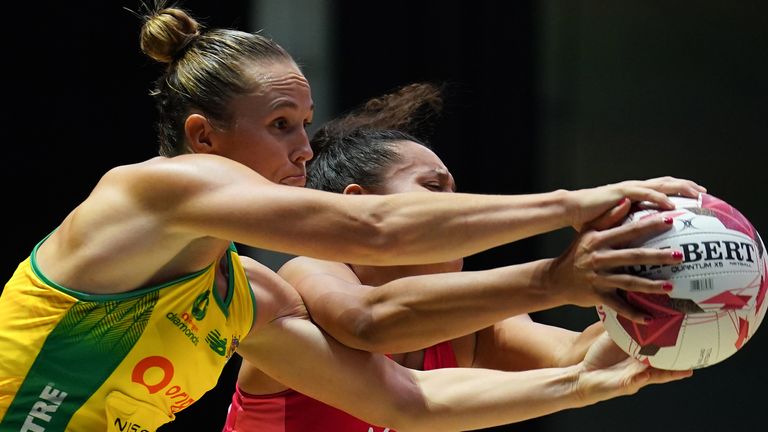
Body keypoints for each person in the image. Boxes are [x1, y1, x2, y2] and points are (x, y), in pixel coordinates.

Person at [0, 4, 702, 431]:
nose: (304, 149)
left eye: (305, 124)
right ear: (204, 136)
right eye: (280, 124)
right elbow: (374, 236)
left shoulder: (248, 296)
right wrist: (575, 208)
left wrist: (591, 383)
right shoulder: (153, 190)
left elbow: (407, 401)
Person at [223, 83, 693, 431]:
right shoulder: (305, 274)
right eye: (434, 187)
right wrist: (560, 278)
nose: (458, 206)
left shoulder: (469, 325)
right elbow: (370, 321)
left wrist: (669, 287)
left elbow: (580, 357)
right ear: (359, 203)